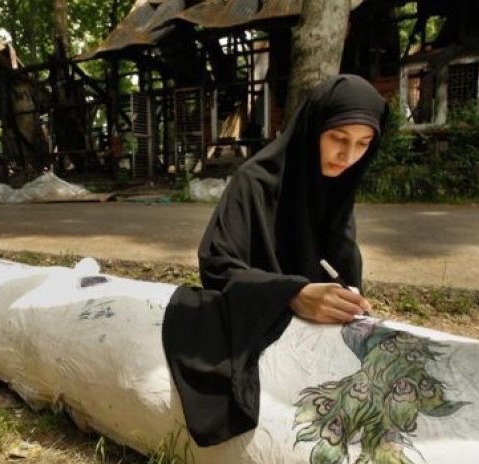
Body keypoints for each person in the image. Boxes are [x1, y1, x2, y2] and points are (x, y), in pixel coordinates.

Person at [162, 75, 389, 447]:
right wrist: (292, 293)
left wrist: (349, 297)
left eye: (364, 144)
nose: (349, 157)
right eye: (339, 139)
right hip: (262, 325)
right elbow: (217, 265)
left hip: (316, 338)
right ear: (313, 128)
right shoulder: (254, 182)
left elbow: (341, 261)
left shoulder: (338, 186)